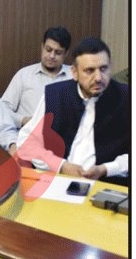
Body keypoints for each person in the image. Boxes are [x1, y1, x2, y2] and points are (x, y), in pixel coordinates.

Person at [16, 37, 128, 186]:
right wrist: (61, 166)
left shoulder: (127, 97)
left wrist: (106, 169)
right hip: (57, 182)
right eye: (89, 71)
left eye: (103, 69)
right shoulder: (56, 95)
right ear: (74, 72)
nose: (98, 78)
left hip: (110, 184)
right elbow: (27, 143)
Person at [1, 26, 72, 128]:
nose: (52, 56)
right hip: (27, 133)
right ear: (42, 47)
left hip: (63, 135)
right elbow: (2, 109)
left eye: (58, 52)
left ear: (66, 53)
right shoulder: (24, 75)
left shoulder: (74, 77)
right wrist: (23, 120)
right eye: (48, 50)